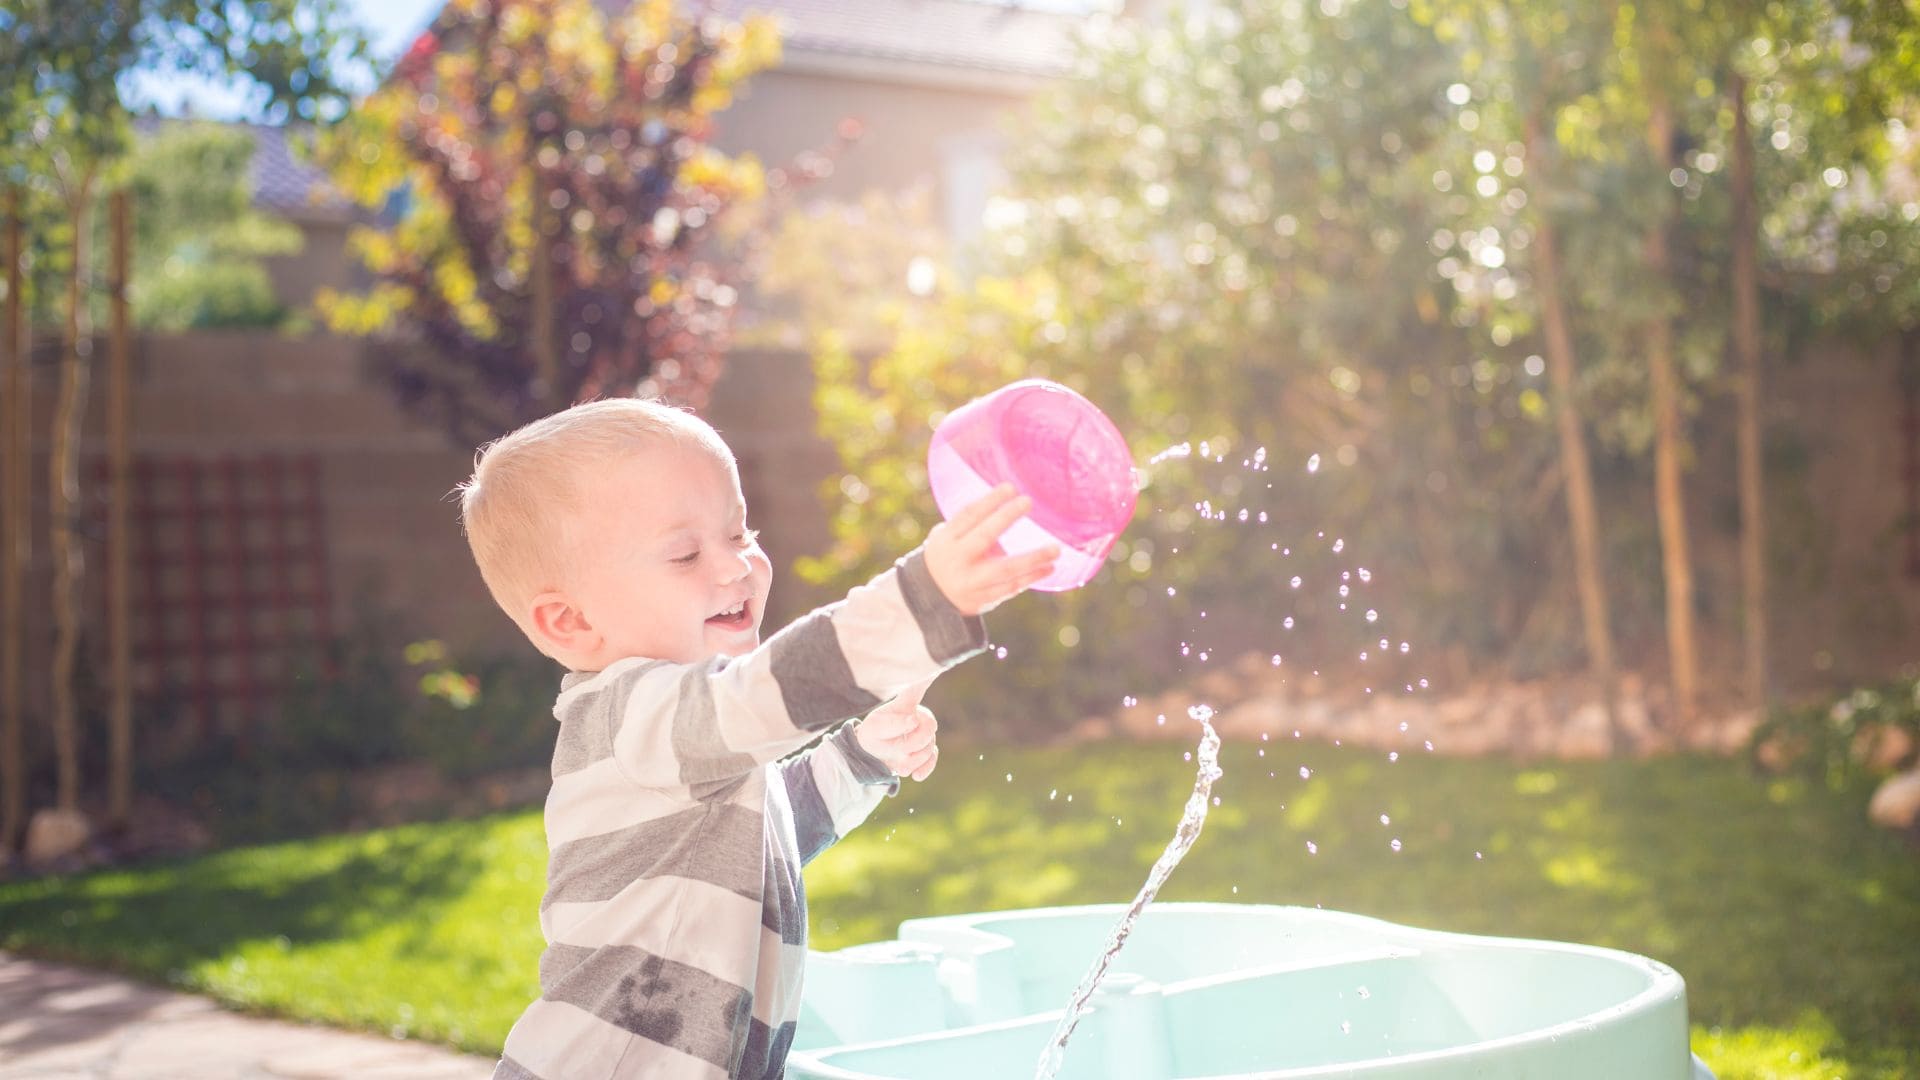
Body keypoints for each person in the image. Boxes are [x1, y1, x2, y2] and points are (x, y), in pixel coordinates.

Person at [457, 397, 1058, 1079]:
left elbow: (763, 836)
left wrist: (860, 757)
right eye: (685, 554)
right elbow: (765, 697)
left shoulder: (686, 746)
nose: (735, 566)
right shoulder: (632, 718)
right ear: (571, 623)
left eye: (741, 533)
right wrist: (925, 601)